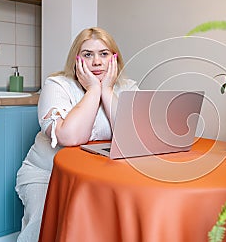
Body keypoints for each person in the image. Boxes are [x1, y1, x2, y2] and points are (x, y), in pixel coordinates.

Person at [15, 27, 138, 242]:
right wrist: (93, 90)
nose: (97, 62)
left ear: (114, 58)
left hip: (100, 180)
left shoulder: (127, 87)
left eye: (104, 54)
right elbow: (70, 138)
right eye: (88, 55)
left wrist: (107, 91)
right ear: (76, 59)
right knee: (43, 230)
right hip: (48, 175)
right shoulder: (57, 85)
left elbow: (132, 138)